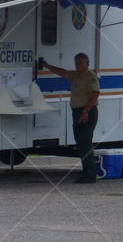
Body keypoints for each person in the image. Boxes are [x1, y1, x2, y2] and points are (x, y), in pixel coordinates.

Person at [41, 53, 100, 183]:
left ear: (87, 63)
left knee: (85, 143)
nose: (77, 65)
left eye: (80, 62)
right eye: (76, 62)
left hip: (87, 112)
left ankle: (90, 174)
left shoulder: (90, 76)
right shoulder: (75, 75)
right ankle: (87, 171)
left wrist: (85, 111)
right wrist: (47, 66)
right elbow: (62, 72)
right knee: (80, 142)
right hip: (77, 112)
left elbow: (95, 95)